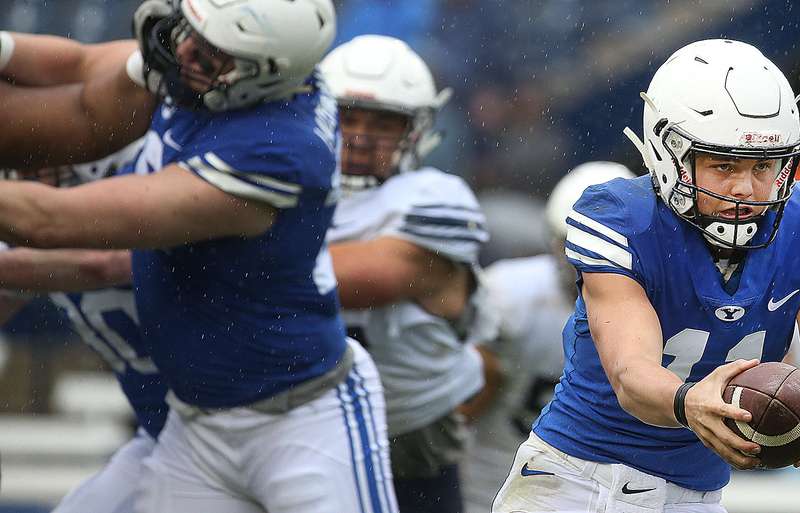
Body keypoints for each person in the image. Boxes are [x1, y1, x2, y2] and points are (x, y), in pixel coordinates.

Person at [0, 1, 398, 512]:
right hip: (195, 426)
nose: (185, 51)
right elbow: (81, 65)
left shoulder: (274, 151)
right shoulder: (219, 71)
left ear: (260, 77)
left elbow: (49, 222)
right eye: (191, 32)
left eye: (211, 54)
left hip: (300, 418)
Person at [492, 39, 800, 513]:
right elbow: (631, 374)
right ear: (667, 153)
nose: (746, 189)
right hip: (575, 480)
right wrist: (688, 402)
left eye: (763, 165)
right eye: (723, 165)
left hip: (696, 495)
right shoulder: (621, 217)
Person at [319, 35, 491, 513]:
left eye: (382, 122)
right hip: (296, 419)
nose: (358, 136)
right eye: (346, 116)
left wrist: (242, 261)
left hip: (408, 430)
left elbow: (348, 281)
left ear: (415, 131)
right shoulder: (291, 187)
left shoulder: (435, 196)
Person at [461, 161, 635, 513]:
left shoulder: (655, 311)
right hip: (492, 479)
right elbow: (463, 400)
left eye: (605, 251)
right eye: (577, 247)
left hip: (603, 488)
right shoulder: (510, 294)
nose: (589, 264)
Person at [0, 144, 154, 513]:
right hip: (169, 432)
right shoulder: (26, 245)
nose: (29, 178)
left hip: (252, 415)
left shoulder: (147, 186)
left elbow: (104, 263)